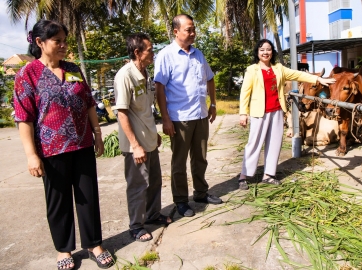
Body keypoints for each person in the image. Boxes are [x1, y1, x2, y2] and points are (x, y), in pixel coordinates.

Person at [14, 19, 113, 270]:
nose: (63, 46)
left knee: (88, 198)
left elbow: (89, 102)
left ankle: (94, 244)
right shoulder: (27, 75)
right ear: (40, 42)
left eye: (64, 41)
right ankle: (64, 249)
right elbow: (23, 118)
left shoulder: (73, 68)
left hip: (81, 145)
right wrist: (31, 155)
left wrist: (97, 133)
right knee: (58, 202)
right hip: (51, 149)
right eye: (57, 41)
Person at [237, 39, 336, 190]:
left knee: (275, 143)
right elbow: (245, 92)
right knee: (254, 143)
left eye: (268, 49)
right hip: (259, 112)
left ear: (272, 52)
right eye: (262, 49)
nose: (265, 52)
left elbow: (297, 75)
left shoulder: (279, 69)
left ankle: (268, 175)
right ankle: (244, 175)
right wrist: (243, 113)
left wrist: (318, 78)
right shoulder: (252, 70)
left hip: (276, 111)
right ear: (257, 52)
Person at [154, 14, 223, 218]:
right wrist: (165, 118)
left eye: (193, 29)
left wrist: (213, 104)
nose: (193, 33)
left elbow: (210, 79)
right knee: (179, 162)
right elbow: (160, 88)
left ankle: (201, 193)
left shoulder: (198, 54)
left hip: (201, 114)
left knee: (200, 158)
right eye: (188, 30)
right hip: (179, 117)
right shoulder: (166, 55)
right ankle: (181, 201)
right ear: (176, 31)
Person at [113, 33, 172, 242]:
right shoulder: (125, 75)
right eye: (150, 50)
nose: (153, 54)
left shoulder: (146, 73)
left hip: (149, 140)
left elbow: (146, 109)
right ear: (137, 52)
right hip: (135, 145)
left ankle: (153, 214)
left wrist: (154, 134)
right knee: (138, 185)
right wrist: (135, 145)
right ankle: (136, 226)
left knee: (155, 181)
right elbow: (122, 113)